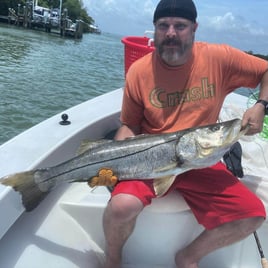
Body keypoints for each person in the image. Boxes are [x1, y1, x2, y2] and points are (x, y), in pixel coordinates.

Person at [103, 0, 268, 267]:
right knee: (121, 206)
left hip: (203, 159)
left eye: (179, 26)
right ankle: (112, 260)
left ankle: (188, 258)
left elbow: (265, 70)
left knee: (253, 215)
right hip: (151, 159)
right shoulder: (139, 72)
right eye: (163, 26)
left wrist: (262, 105)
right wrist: (117, 160)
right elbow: (130, 125)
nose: (170, 33)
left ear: (194, 28)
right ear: (154, 30)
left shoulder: (220, 59)